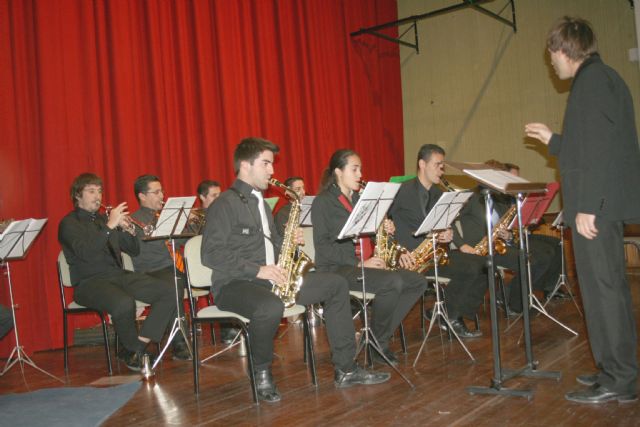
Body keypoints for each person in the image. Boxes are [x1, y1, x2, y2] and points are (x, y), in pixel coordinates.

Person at [201, 138, 390, 403]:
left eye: (271, 164)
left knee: (336, 284)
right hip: (234, 284)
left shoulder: (260, 204)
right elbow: (211, 254)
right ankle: (262, 372)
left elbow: (268, 245)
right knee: (269, 306)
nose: (272, 171)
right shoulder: (224, 204)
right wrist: (259, 270)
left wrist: (286, 243)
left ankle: (346, 368)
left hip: (272, 279)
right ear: (245, 165)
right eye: (266, 164)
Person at [525, 16, 640, 404]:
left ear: (563, 50)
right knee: (600, 291)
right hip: (599, 206)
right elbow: (588, 144)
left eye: (551, 55)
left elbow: (602, 152)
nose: (551, 63)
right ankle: (611, 369)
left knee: (605, 293)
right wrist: (555, 140)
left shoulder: (592, 83)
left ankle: (621, 379)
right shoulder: (600, 80)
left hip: (596, 209)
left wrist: (590, 206)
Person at [311, 149, 428, 364]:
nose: (360, 174)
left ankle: (374, 336)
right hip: (338, 269)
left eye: (360, 169)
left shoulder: (360, 199)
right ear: (338, 171)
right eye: (354, 169)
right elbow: (323, 248)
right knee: (391, 282)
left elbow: (370, 234)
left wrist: (385, 229)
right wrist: (359, 262)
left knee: (417, 282)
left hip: (366, 264)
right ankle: (379, 343)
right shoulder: (322, 202)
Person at [58, 173, 177, 371]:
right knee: (123, 302)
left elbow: (133, 250)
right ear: (78, 195)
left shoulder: (104, 220)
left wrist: (127, 231)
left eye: (99, 191)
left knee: (168, 291)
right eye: (91, 191)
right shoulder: (69, 224)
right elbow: (86, 253)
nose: (98, 196)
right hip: (88, 283)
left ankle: (135, 347)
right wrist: (109, 226)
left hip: (116, 275)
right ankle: (134, 351)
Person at [389, 144, 486, 338]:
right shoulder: (400, 191)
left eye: (443, 166)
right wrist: (398, 251)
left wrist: (448, 235)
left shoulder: (439, 195)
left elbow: (444, 226)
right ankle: (451, 315)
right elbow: (383, 226)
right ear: (422, 164)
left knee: (484, 265)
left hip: (434, 255)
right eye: (437, 165)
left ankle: (450, 313)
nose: (441, 170)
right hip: (410, 258)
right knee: (470, 269)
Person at [451, 160, 552, 315]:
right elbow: (448, 222)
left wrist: (508, 234)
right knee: (525, 260)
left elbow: (509, 224)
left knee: (535, 258)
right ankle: (514, 304)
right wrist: (461, 245)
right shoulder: (469, 197)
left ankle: (511, 299)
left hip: (498, 245)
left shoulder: (500, 198)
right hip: (478, 249)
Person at [130, 175, 190, 360]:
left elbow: (183, 239)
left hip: (172, 267)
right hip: (152, 270)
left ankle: (230, 330)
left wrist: (188, 225)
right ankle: (179, 342)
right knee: (174, 285)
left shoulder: (166, 215)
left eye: (162, 191)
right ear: (142, 196)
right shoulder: (134, 220)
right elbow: (143, 253)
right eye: (156, 192)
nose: (162, 195)